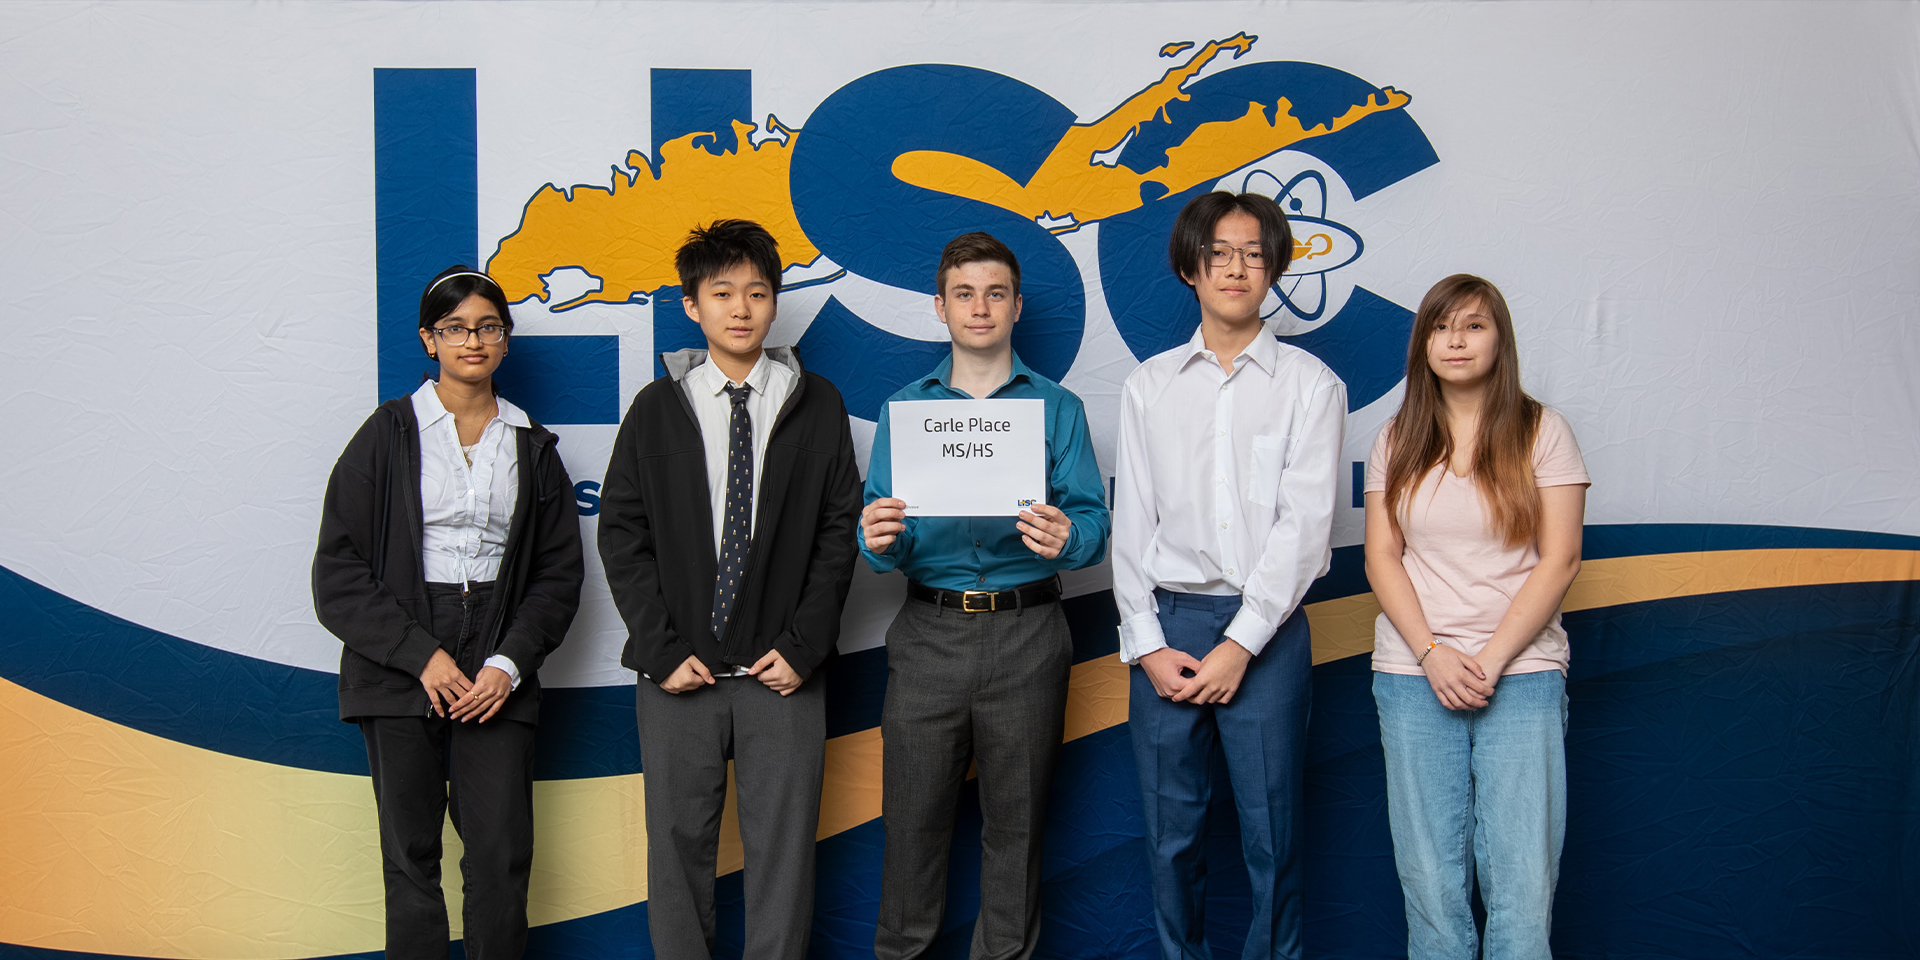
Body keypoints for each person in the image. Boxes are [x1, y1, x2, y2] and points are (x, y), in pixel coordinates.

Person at [598, 219, 862, 960]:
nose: (741, 308)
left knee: (784, 855)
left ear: (775, 302)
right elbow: (621, 534)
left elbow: (837, 534)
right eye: (722, 292)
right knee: (676, 852)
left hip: (784, 674)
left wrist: (803, 647)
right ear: (692, 305)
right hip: (679, 673)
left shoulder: (818, 402)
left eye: (757, 292)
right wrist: (659, 650)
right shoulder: (657, 408)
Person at [313, 265, 586, 960]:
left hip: (496, 653)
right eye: (456, 327)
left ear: (506, 340)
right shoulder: (386, 434)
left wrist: (508, 664)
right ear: (428, 339)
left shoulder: (531, 444)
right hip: (400, 655)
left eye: (488, 326)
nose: (473, 340)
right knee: (410, 854)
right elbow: (338, 572)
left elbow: (558, 576)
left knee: (499, 852)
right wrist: (421, 657)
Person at [860, 231, 1110, 960]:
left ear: (1016, 306)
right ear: (941, 307)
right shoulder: (904, 410)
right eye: (964, 293)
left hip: (1029, 632)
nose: (980, 307)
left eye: (995, 293)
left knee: (1017, 831)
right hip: (928, 634)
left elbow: (1093, 525)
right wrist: (876, 538)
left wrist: (1069, 536)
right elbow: (882, 540)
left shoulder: (1058, 408)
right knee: (911, 827)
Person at [1110, 191, 1346, 960]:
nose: (1237, 268)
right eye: (1219, 253)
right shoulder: (1149, 386)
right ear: (1191, 267)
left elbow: (1305, 531)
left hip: (1266, 630)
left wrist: (1242, 643)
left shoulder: (1312, 385)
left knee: (1273, 835)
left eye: (1254, 253)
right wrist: (1147, 644)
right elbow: (1132, 525)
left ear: (1274, 269)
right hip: (1169, 624)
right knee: (1170, 834)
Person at [1362, 274, 1588, 960]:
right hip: (1414, 673)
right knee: (1429, 879)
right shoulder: (1396, 437)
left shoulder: (1543, 430)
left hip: (1520, 672)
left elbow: (1561, 558)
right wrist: (1432, 654)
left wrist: (1489, 661)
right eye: (1440, 327)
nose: (1455, 341)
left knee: (1522, 878)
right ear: (1422, 344)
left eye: (1473, 325)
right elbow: (1382, 556)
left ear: (1500, 340)